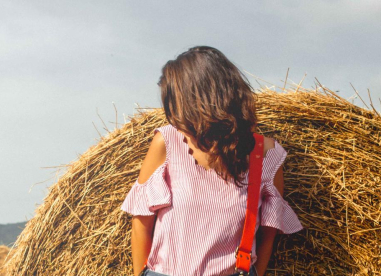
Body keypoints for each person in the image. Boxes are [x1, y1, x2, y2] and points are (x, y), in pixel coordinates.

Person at [121, 46, 303, 276]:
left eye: (177, 103)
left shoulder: (265, 155)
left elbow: (269, 233)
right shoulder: (167, 142)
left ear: (201, 99)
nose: (174, 115)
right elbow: (141, 225)